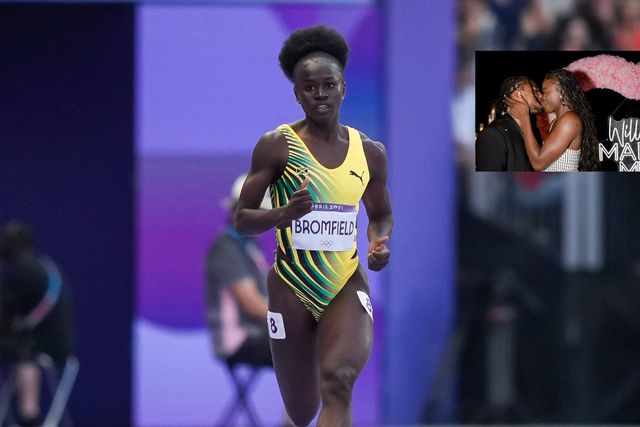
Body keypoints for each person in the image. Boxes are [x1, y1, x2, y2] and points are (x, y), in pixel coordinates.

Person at [233, 25, 393, 426]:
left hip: (345, 283)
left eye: (328, 85)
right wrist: (282, 215)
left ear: (343, 89)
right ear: (297, 94)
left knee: (338, 381)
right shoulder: (277, 146)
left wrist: (378, 241)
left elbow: (380, 214)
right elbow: (242, 219)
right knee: (301, 411)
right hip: (290, 287)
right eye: (309, 87)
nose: (320, 94)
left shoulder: (369, 153)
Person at [0, 221, 74, 427]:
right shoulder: (45, 266)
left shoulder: (22, 273)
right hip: (53, 344)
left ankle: (29, 415)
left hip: (41, 347)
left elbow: (4, 322)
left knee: (24, 355)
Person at [204, 174, 272, 368]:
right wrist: (294, 320)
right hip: (239, 341)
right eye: (256, 212)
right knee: (306, 345)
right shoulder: (227, 247)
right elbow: (252, 304)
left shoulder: (250, 245)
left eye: (264, 213)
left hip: (260, 333)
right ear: (235, 210)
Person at [505, 68, 598, 171]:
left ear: (562, 92)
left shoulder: (569, 120)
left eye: (545, 92)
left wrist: (524, 117)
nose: (541, 97)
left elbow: (538, 163)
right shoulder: (558, 121)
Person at [476, 76, 544, 171]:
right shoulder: (493, 134)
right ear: (518, 94)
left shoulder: (533, 130)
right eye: (535, 90)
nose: (541, 95)